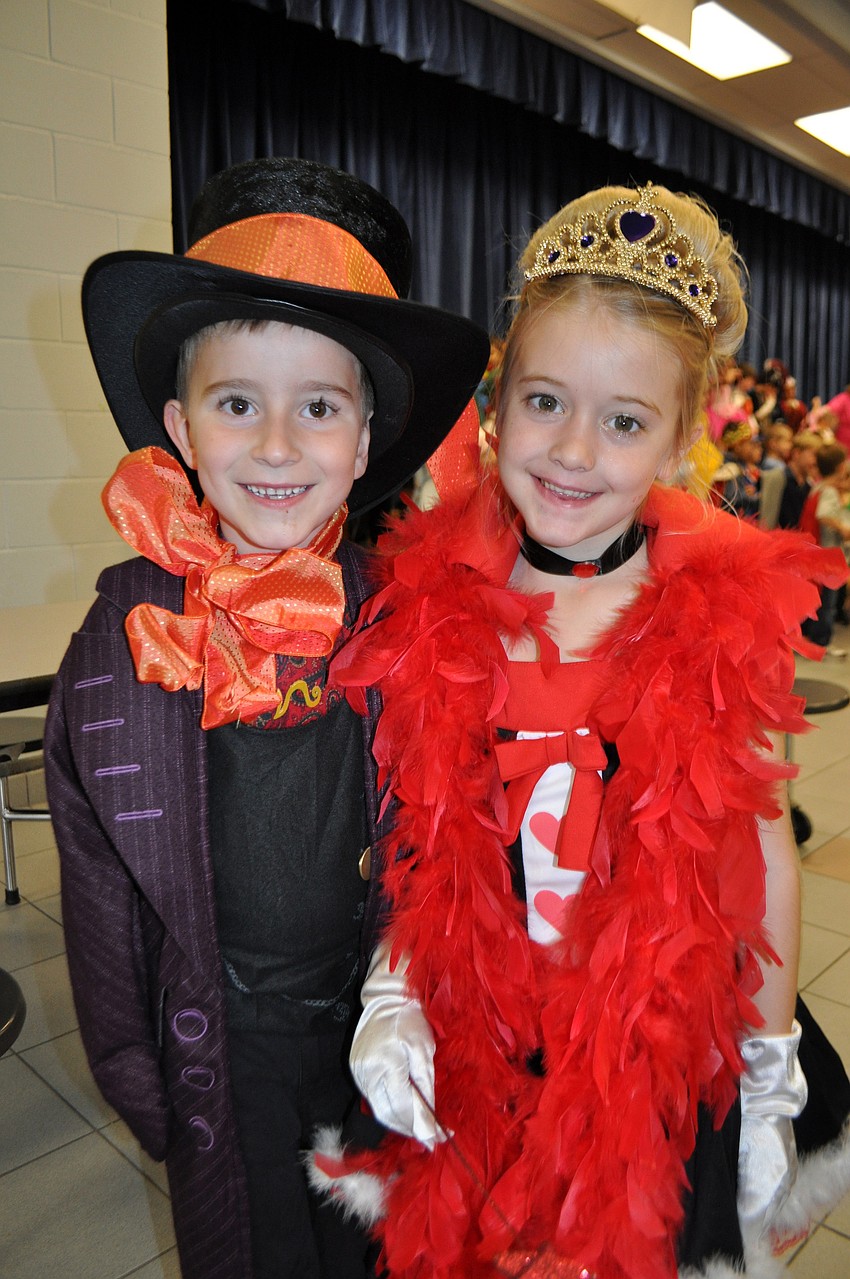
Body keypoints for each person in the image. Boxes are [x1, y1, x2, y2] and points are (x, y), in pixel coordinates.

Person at [310, 184, 850, 1279]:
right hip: (484, 1037)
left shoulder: (713, 616)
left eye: (623, 421)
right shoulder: (431, 599)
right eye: (545, 400)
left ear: (679, 436)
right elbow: (420, 827)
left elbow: (759, 849)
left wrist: (769, 1056)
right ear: (496, 400)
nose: (570, 451)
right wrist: (396, 986)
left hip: (653, 1049)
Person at [43, 156, 489, 1279]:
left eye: (319, 408)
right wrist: (142, 1082)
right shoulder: (119, 641)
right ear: (181, 429)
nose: (280, 446)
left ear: (366, 438)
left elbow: (447, 835)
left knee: (373, 1250)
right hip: (219, 1039)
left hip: (371, 1021)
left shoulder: (405, 615)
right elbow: (96, 891)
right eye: (238, 403)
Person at [801, 442, 850, 656]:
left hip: (818, 550)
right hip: (829, 553)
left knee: (820, 597)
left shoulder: (819, 486)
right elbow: (823, 514)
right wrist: (842, 527)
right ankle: (822, 640)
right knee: (828, 600)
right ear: (841, 467)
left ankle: (814, 636)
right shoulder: (829, 491)